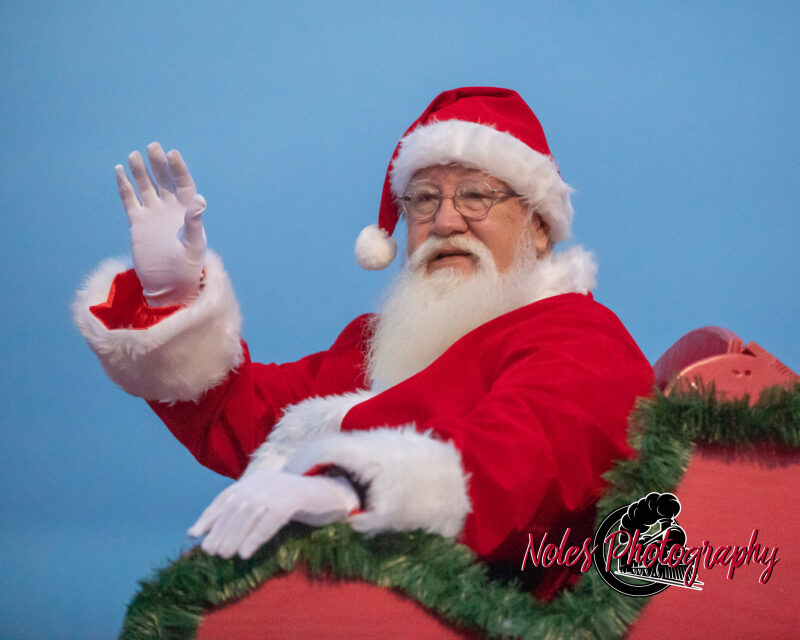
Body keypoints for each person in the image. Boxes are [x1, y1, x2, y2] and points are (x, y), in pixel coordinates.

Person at [74, 87, 653, 597]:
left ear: (540, 228)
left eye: (476, 195)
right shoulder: (371, 350)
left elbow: (520, 460)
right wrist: (169, 298)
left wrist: (350, 487)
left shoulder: (580, 336)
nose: (445, 222)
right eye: (424, 199)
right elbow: (239, 413)